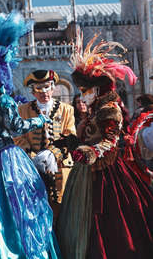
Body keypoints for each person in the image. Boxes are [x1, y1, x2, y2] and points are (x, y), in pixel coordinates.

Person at [0, 12, 59, 259]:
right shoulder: (2, 99)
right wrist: (39, 119)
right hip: (5, 161)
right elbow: (16, 128)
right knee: (15, 210)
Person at [56, 31, 153, 259]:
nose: (82, 97)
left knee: (111, 219)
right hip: (86, 172)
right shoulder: (95, 111)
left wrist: (91, 151)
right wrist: (71, 142)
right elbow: (87, 138)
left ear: (98, 90)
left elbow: (110, 141)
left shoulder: (110, 110)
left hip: (107, 172)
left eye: (85, 92)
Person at [14, 70, 76, 216]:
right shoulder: (22, 110)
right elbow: (18, 137)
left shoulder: (67, 109)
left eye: (47, 87)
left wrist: (52, 154)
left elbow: (70, 136)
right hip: (33, 168)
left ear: (53, 88)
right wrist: (35, 158)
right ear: (32, 92)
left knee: (64, 209)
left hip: (61, 168)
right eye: (38, 89)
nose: (44, 92)